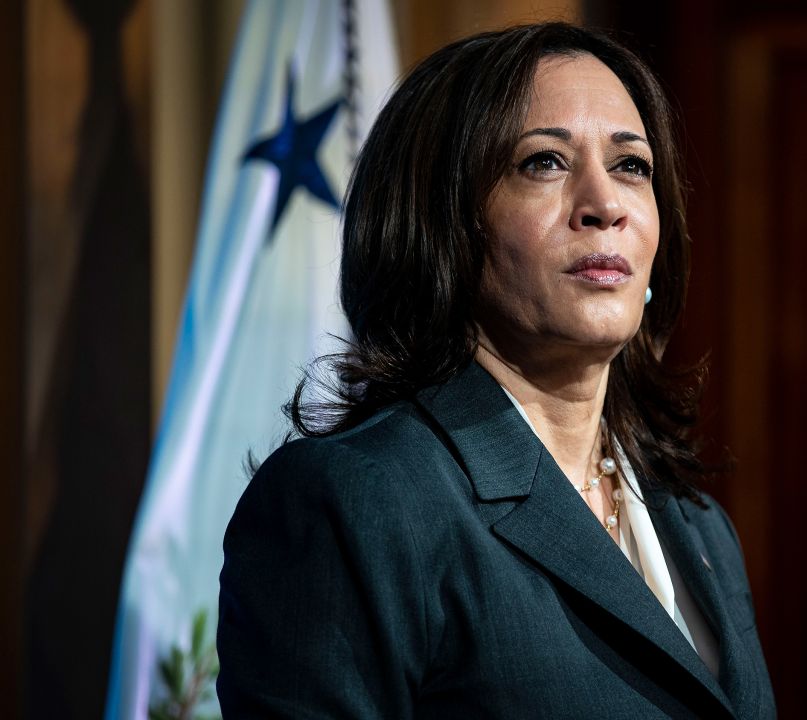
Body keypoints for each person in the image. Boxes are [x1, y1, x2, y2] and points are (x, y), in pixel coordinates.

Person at [216, 22, 775, 719]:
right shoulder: (356, 504)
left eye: (632, 165)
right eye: (543, 162)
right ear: (444, 223)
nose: (605, 205)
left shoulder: (698, 528)